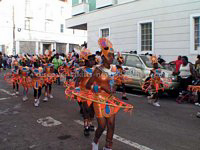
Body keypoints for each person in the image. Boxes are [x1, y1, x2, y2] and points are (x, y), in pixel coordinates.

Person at [75, 48, 96, 136]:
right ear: (86, 61)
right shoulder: (82, 71)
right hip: (84, 93)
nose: (92, 61)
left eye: (93, 60)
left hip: (94, 93)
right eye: (90, 60)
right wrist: (77, 92)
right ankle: (86, 126)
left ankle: (90, 123)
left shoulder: (96, 70)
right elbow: (77, 82)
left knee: (93, 110)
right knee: (86, 110)